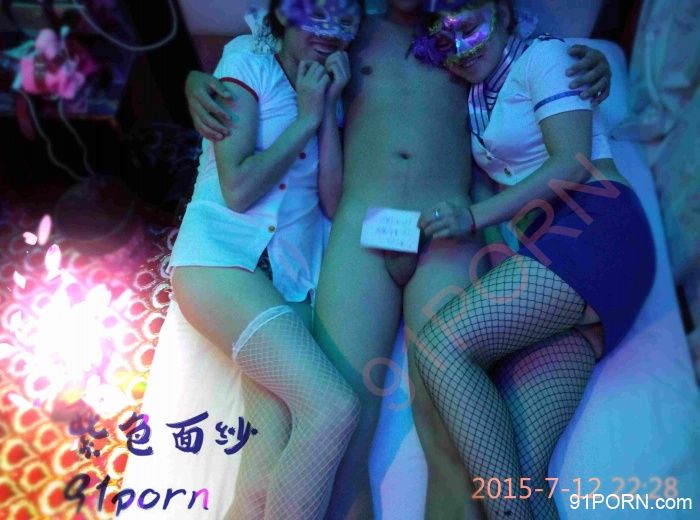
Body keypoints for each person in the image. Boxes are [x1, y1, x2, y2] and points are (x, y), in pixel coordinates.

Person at [185, 1, 613, 518]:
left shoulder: (465, 33)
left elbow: (531, 62)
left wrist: (591, 64)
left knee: (449, 425)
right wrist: (193, 79)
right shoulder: (347, 31)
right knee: (345, 423)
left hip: (446, 229)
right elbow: (267, 49)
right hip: (361, 229)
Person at [411, 1, 656, 518]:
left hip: (595, 226)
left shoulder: (544, 57)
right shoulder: (478, 99)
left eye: (468, 27)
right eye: (444, 40)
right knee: (517, 470)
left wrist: (472, 218)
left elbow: (572, 161)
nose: (459, 48)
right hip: (563, 267)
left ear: (502, 12)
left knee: (439, 346)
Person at [168, 1, 363, 519]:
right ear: (283, 13)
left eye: (345, 18)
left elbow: (332, 204)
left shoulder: (328, 88)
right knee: (332, 408)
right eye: (317, 14)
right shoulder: (247, 60)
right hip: (221, 263)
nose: (331, 31)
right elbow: (238, 187)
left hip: (288, 281)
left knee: (260, 477)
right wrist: (306, 118)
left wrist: (327, 111)